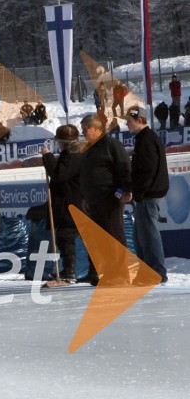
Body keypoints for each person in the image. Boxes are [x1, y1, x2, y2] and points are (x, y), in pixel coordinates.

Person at [79, 114, 132, 285]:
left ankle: (121, 275)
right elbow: (88, 175)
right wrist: (86, 197)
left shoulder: (111, 145)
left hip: (110, 199)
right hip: (94, 201)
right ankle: (109, 273)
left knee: (114, 237)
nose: (83, 132)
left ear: (96, 128)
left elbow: (125, 169)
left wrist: (123, 191)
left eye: (85, 129)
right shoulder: (89, 148)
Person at [122, 106, 169, 284]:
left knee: (148, 234)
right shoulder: (143, 139)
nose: (127, 125)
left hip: (149, 195)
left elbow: (147, 170)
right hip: (146, 194)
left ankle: (156, 272)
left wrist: (137, 193)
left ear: (140, 120)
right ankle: (148, 271)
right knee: (141, 235)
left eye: (129, 121)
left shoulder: (147, 140)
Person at [41, 124, 84, 281]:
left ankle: (70, 270)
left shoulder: (72, 156)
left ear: (64, 142)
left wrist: (47, 157)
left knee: (65, 235)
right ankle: (69, 269)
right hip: (70, 201)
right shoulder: (71, 154)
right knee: (64, 236)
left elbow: (59, 175)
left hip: (72, 203)